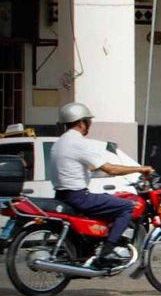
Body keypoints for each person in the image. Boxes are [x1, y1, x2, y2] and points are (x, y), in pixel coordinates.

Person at [50, 102, 154, 268]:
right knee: (127, 207)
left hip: (62, 196)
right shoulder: (78, 142)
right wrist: (141, 169)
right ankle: (107, 251)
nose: (89, 125)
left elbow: (84, 166)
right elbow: (110, 169)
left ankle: (93, 248)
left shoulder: (59, 143)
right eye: (88, 122)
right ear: (81, 123)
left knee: (107, 200)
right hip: (79, 197)